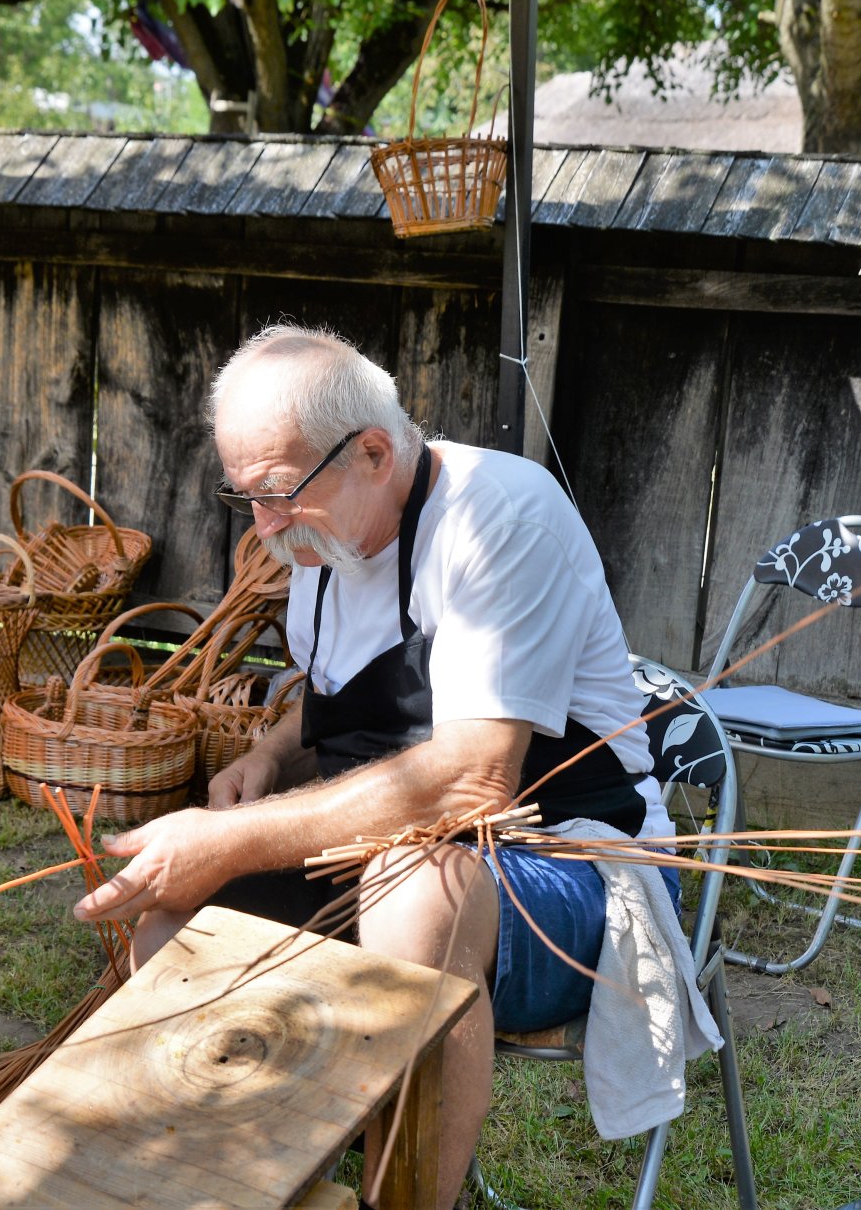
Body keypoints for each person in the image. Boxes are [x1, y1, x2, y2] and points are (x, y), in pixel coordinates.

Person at [73, 324, 680, 1207]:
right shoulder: (324, 539)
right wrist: (271, 751)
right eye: (246, 495)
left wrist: (230, 838)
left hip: (573, 866)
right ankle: (238, 1185)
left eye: (279, 492)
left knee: (416, 888)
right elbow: (344, 707)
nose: (265, 525)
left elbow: (475, 780)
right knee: (172, 924)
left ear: (371, 450)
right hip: (384, 852)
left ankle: (401, 1199)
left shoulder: (497, 515)